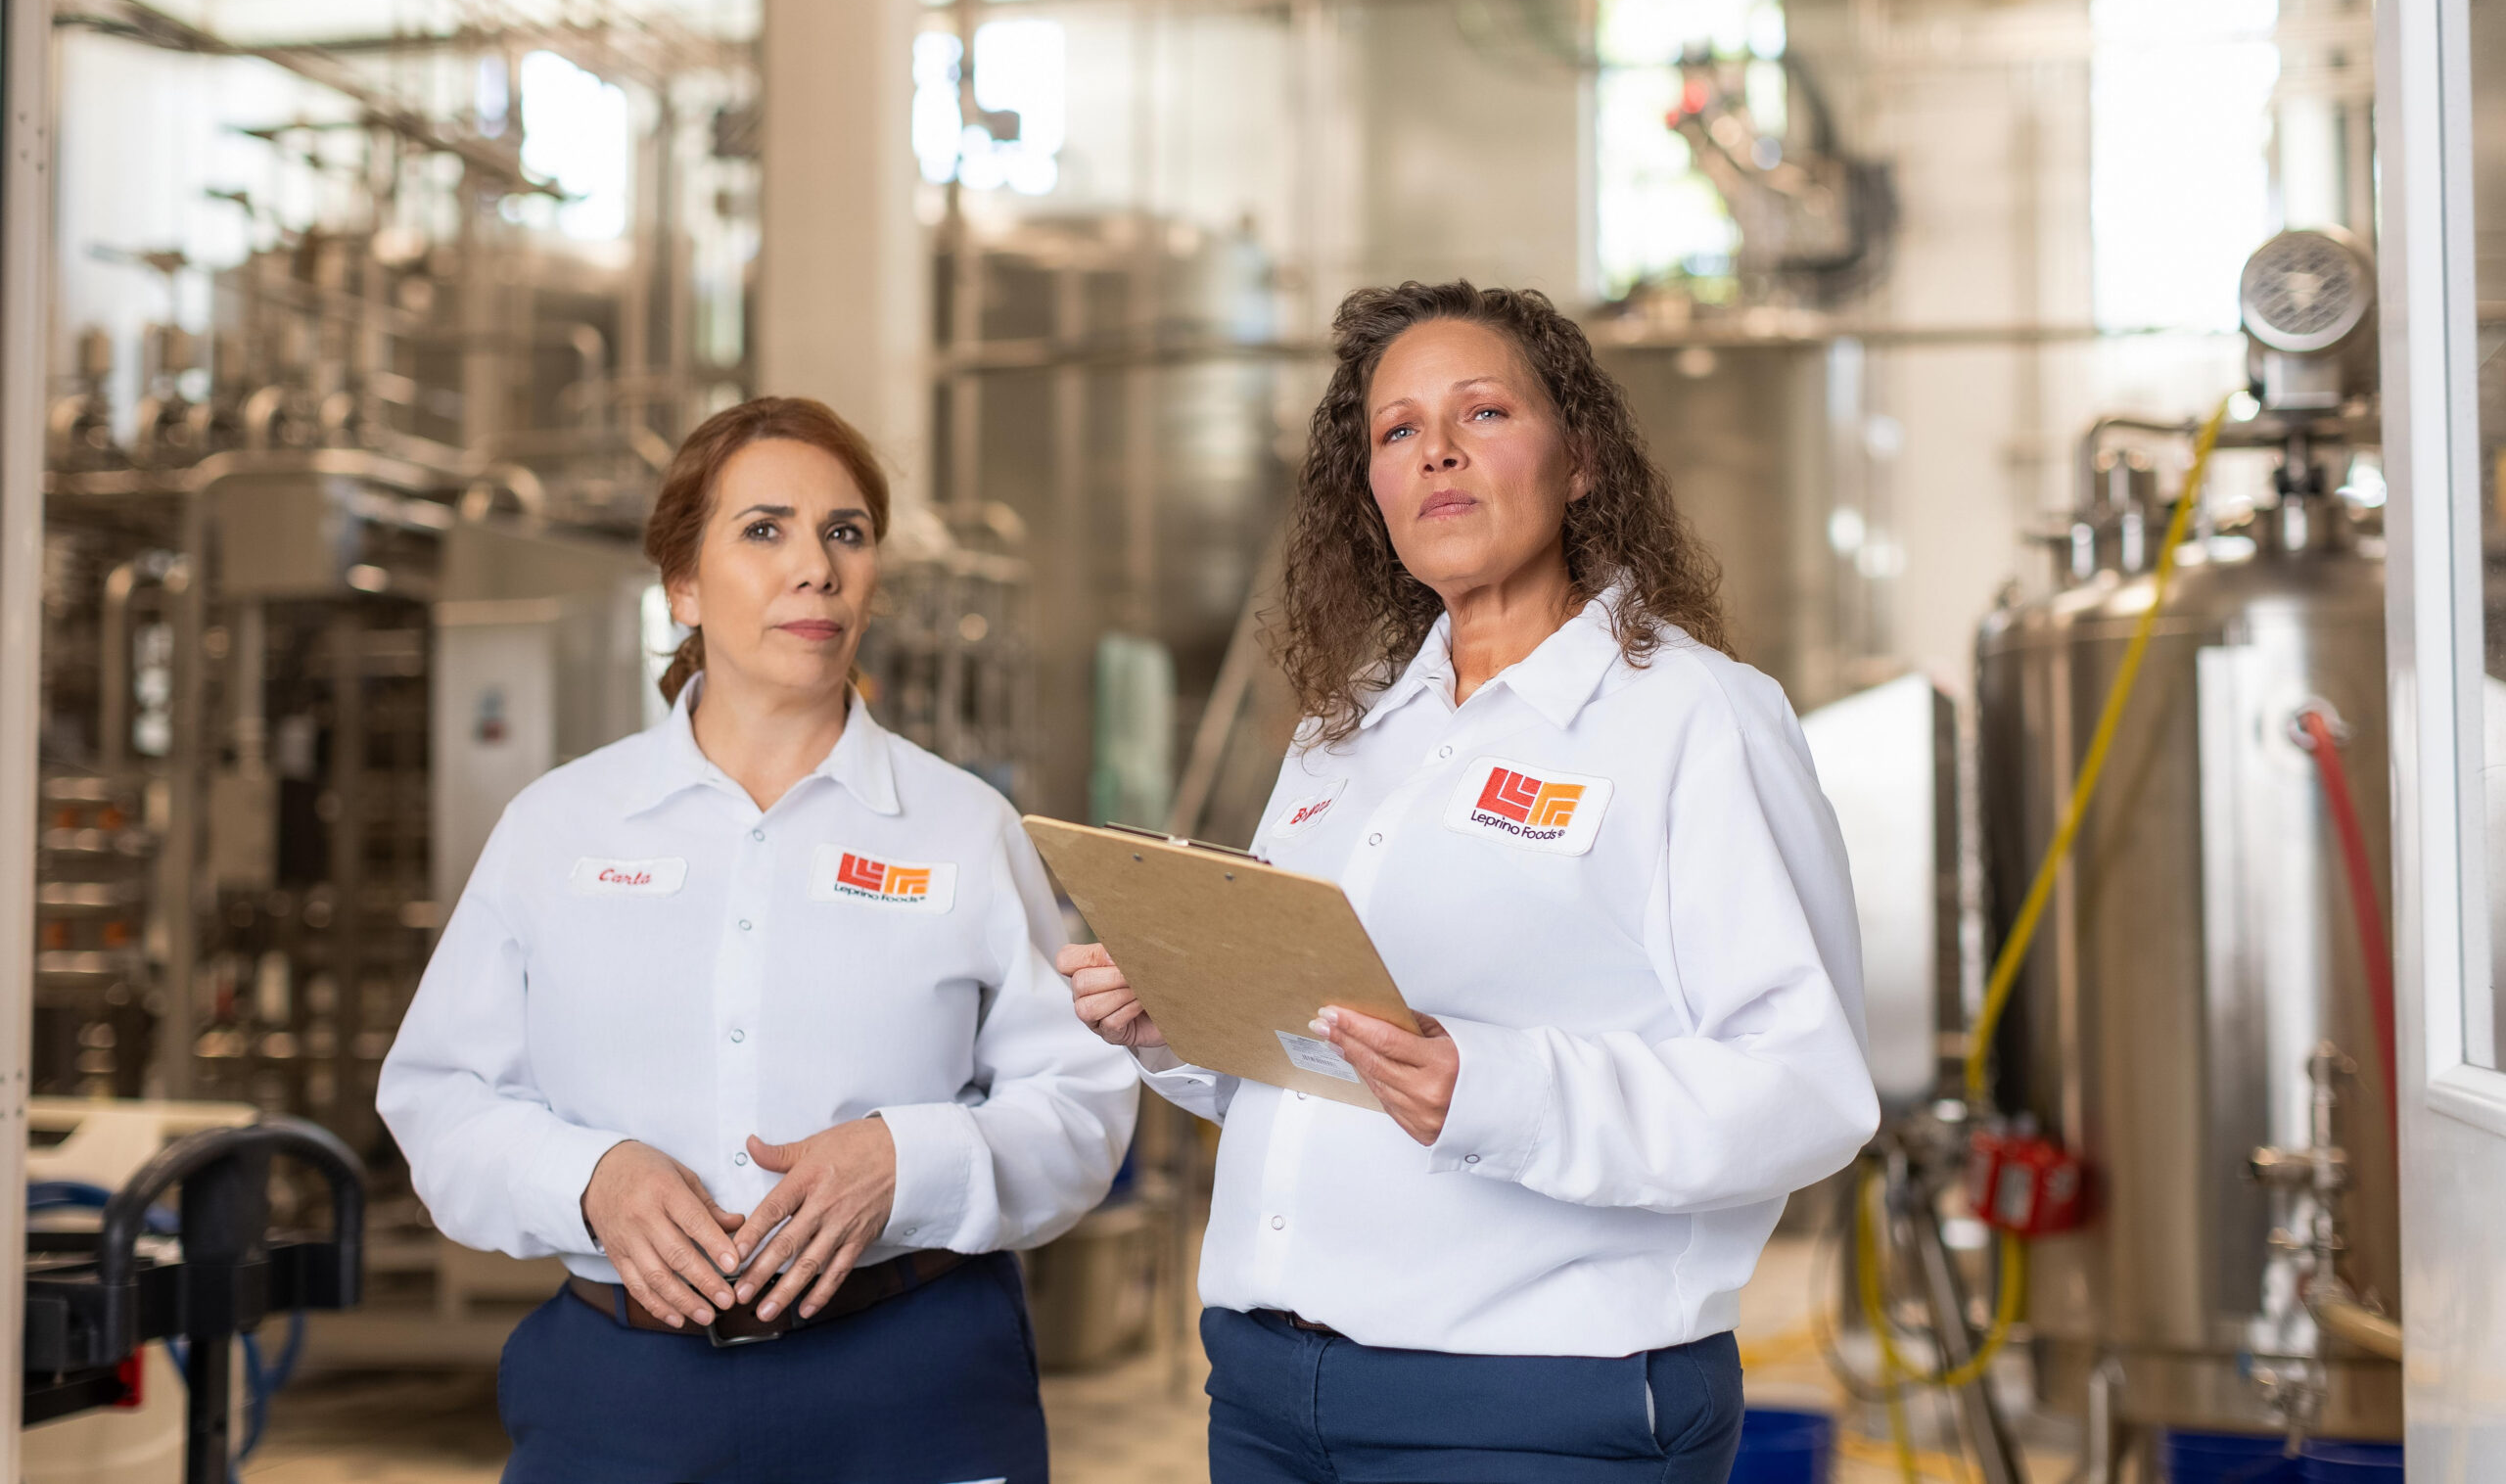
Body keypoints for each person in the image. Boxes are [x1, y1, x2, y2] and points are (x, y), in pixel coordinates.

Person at [1060, 281, 1879, 1482]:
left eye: (1482, 412)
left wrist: (1489, 1085)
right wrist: (1177, 1025)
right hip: (1267, 1389)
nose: (1435, 450)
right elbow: (1310, 1071)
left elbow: (1805, 1088)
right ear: (1373, 492)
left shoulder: (1693, 720)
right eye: (1395, 431)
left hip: (1531, 1406)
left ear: (1582, 458)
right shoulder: (1344, 740)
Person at [381, 396, 1137, 1484]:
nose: (815, 568)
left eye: (845, 532)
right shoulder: (557, 827)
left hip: (912, 1385)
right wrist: (589, 1178)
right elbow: (440, 1101)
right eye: (764, 529)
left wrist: (905, 1163)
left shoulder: (961, 828)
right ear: (681, 585)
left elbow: (1079, 1107)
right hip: (619, 1394)